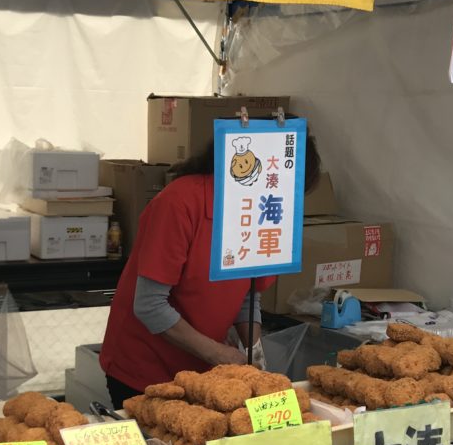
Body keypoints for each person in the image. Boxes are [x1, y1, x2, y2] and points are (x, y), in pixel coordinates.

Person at [99, 132, 322, 408]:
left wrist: (254, 354)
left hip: (204, 372)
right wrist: (218, 353)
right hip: (144, 368)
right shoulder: (179, 202)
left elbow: (247, 294)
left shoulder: (263, 212)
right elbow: (149, 305)